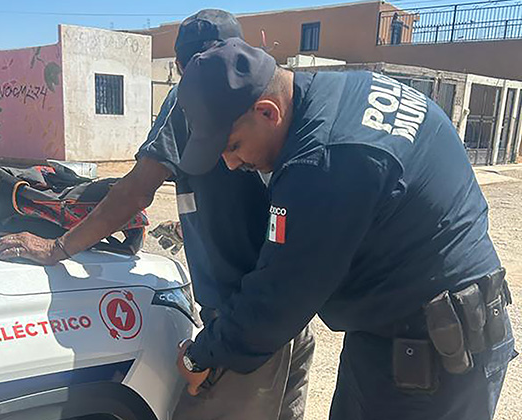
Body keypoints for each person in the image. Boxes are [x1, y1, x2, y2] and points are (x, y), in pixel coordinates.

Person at [0, 9, 314, 420]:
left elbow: (136, 191)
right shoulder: (279, 95)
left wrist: (57, 247)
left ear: (183, 68)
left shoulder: (194, 95)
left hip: (243, 322)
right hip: (292, 311)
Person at [173, 37, 516, 420]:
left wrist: (203, 353)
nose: (232, 164)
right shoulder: (346, 89)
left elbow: (279, 298)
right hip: (413, 333)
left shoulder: (323, 161)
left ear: (268, 112)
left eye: (233, 146)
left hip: (433, 362)